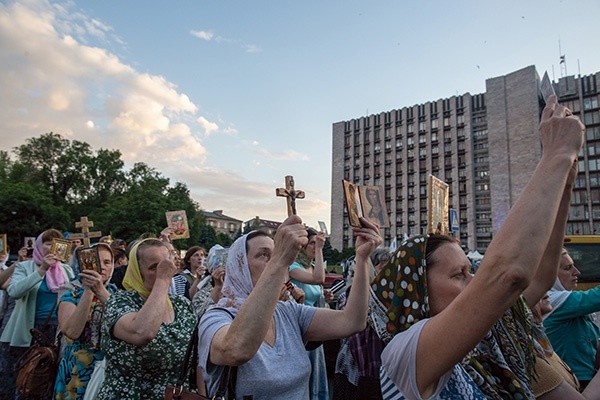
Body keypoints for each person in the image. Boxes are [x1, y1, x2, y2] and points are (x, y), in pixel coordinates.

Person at [375, 95, 585, 399]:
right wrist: (557, 155)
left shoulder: (489, 332)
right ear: (417, 289)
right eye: (459, 274)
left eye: (470, 269)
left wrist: (564, 185)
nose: (473, 279)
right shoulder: (403, 354)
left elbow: (540, 275)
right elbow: (506, 275)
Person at [198, 215, 382, 399]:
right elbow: (236, 350)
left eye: (276, 252)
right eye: (264, 255)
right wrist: (279, 259)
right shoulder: (215, 317)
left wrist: (362, 259)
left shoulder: (288, 311)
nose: (277, 261)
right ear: (240, 266)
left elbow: (352, 322)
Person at [96, 238, 196, 400]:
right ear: (137, 271)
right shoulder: (119, 302)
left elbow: (196, 359)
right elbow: (142, 332)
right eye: (153, 267)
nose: (164, 271)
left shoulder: (182, 305)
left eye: (166, 265)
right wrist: (162, 280)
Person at [0, 229, 75, 399]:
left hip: (56, 330)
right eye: (48, 243)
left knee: (48, 377)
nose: (52, 248)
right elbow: (14, 292)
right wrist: (42, 270)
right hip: (28, 331)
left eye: (57, 243)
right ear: (40, 246)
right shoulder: (24, 267)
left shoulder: (66, 270)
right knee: (25, 377)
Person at [53, 243, 118, 400]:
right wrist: (89, 289)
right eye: (95, 260)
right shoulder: (70, 294)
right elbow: (72, 332)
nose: (101, 267)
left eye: (107, 262)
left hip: (108, 369)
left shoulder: (119, 295)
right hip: (77, 370)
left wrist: (102, 292)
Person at [543, 247, 600, 388]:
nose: (577, 272)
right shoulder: (551, 300)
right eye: (568, 268)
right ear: (549, 274)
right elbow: (595, 298)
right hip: (575, 382)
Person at [289, 228, 329, 400]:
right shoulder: (293, 266)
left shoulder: (313, 266)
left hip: (314, 328)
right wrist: (320, 249)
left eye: (316, 243)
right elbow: (319, 279)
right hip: (298, 329)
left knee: (315, 371)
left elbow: (318, 286)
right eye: (311, 243)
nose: (315, 246)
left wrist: (324, 296)